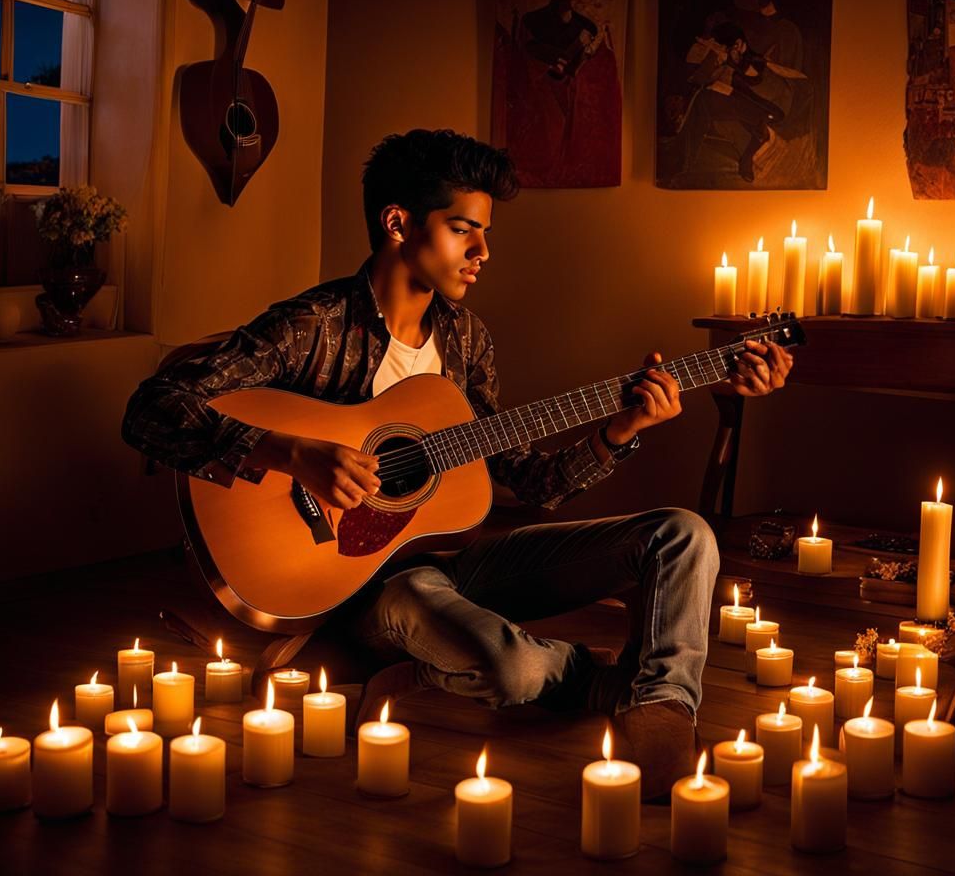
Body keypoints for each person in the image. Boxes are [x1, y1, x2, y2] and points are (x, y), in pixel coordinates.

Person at [122, 129, 793, 800]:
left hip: (450, 565)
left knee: (683, 534)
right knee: (511, 670)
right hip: (365, 592)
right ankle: (614, 685)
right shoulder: (313, 325)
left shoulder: (465, 340)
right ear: (397, 224)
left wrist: (621, 430)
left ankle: (663, 709)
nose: (483, 252)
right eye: (463, 230)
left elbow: (526, 483)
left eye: (484, 233)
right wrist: (291, 453)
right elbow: (153, 406)